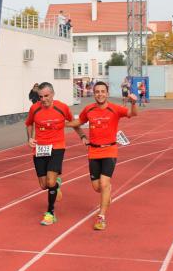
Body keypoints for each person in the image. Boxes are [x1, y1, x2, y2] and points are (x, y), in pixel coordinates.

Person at [66, 82, 138, 231]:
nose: (100, 94)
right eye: (97, 91)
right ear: (94, 93)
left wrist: (134, 103)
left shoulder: (115, 109)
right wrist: (62, 123)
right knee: (97, 187)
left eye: (102, 91)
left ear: (107, 93)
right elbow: (78, 122)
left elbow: (133, 114)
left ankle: (101, 217)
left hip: (110, 150)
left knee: (104, 184)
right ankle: (107, 192)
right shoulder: (89, 109)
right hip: (93, 151)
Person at [25, 82, 86, 226]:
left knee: (50, 182)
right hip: (40, 148)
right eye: (41, 97)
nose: (44, 99)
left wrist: (83, 136)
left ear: (53, 94)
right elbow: (29, 123)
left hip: (57, 147)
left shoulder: (62, 107)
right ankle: (56, 184)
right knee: (43, 185)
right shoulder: (34, 108)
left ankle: (50, 213)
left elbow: (73, 122)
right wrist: (30, 139)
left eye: (46, 96)